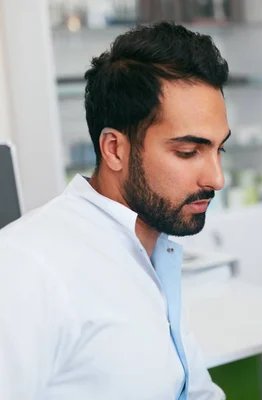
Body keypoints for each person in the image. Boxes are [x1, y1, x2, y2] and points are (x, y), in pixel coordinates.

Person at [0, 22, 230, 400]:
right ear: (114, 149)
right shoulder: (27, 267)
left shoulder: (153, 251)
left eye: (218, 149)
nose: (217, 178)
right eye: (188, 152)